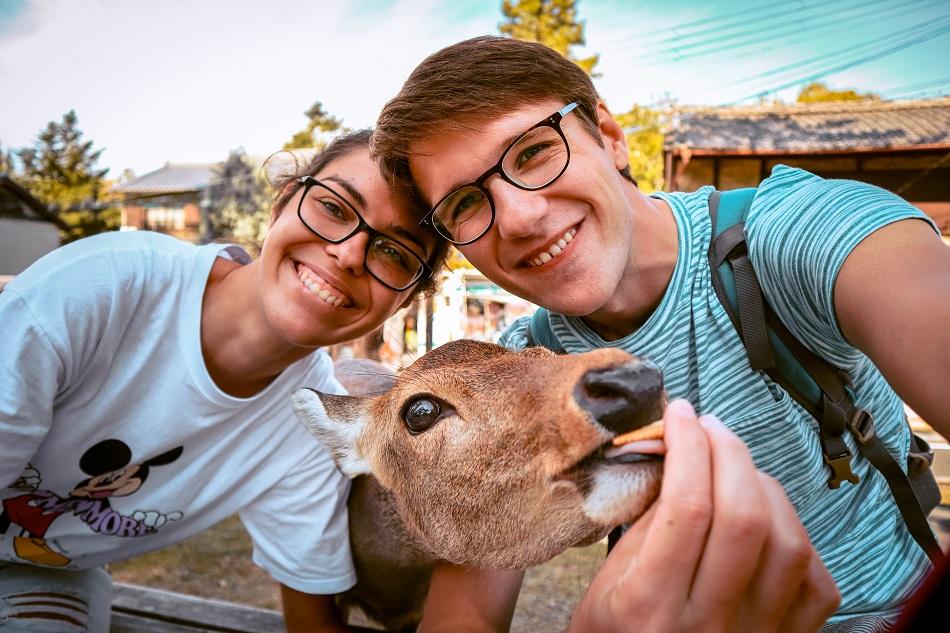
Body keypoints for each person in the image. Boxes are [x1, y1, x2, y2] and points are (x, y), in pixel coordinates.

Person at [372, 35, 950, 631]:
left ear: (610, 136)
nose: (521, 217)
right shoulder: (516, 370)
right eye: (466, 203)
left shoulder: (795, 235)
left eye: (534, 152)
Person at [0, 129, 452, 632]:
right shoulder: (103, 288)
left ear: (407, 299)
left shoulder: (308, 424)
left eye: (395, 253)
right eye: (335, 208)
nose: (349, 254)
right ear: (282, 202)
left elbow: (309, 621)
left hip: (37, 575)